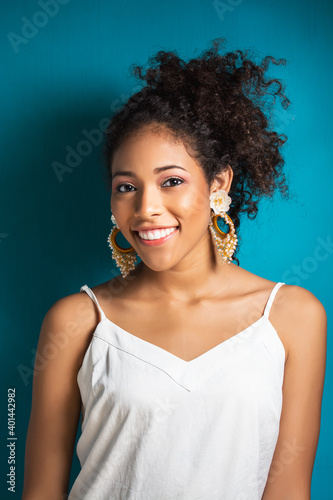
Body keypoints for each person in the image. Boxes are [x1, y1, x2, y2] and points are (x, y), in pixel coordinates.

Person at [22, 38, 327, 500]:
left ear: (219, 183)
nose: (146, 208)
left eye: (172, 181)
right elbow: (37, 491)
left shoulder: (291, 318)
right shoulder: (76, 321)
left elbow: (288, 489)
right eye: (126, 186)